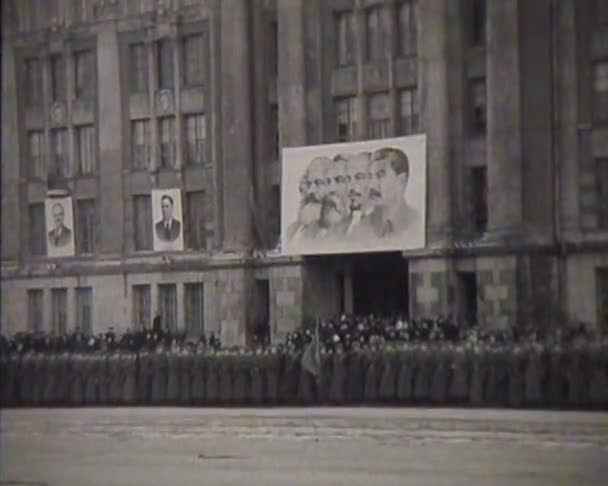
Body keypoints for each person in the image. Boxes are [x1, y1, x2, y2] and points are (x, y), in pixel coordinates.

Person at [367, 147, 419, 239]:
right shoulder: (361, 228)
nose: (372, 185)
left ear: (401, 180)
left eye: (380, 175)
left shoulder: (417, 223)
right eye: (371, 176)